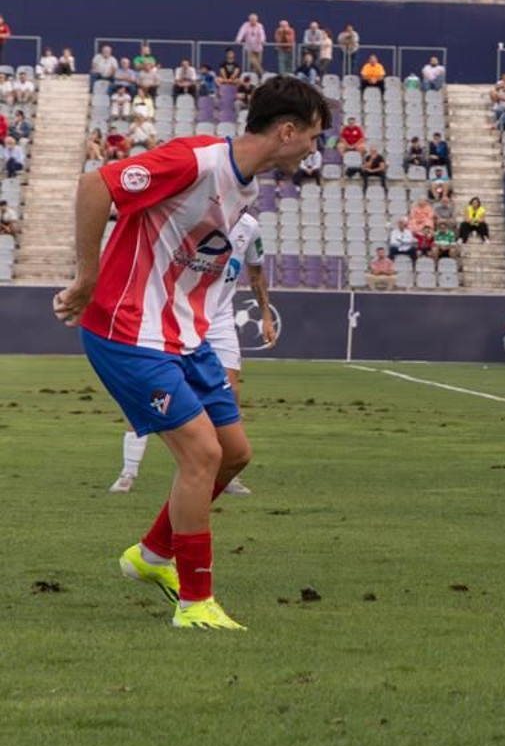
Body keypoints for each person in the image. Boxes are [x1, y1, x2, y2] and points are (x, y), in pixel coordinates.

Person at [55, 76, 328, 632]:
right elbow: (94, 186)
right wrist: (87, 279)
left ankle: (152, 557)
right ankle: (195, 602)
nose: (314, 149)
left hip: (184, 336)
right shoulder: (198, 160)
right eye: (313, 137)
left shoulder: (245, 188)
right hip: (128, 332)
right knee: (201, 455)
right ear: (287, 130)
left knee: (233, 453)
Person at [110, 213, 274, 497]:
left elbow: (256, 272)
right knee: (149, 391)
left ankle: (226, 473)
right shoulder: (198, 214)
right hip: (180, 313)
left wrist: (266, 315)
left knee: (231, 389)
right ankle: (129, 470)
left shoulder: (250, 228)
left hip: (219, 318)